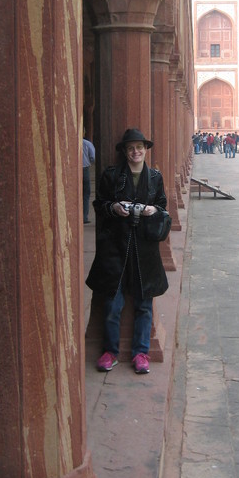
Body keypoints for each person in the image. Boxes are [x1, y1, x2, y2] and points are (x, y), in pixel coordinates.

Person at [86, 128, 169, 375]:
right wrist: (114, 207)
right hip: (116, 249)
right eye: (131, 148)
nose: (136, 152)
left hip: (144, 250)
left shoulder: (154, 177)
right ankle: (110, 351)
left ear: (146, 150)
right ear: (125, 151)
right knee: (113, 304)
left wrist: (152, 211)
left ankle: (141, 353)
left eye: (139, 147)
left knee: (144, 305)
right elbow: (99, 205)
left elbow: (162, 205)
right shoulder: (111, 176)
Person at [83, 134, 95, 224]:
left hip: (73, 169)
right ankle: (84, 217)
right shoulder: (87, 144)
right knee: (86, 194)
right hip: (85, 169)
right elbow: (93, 157)